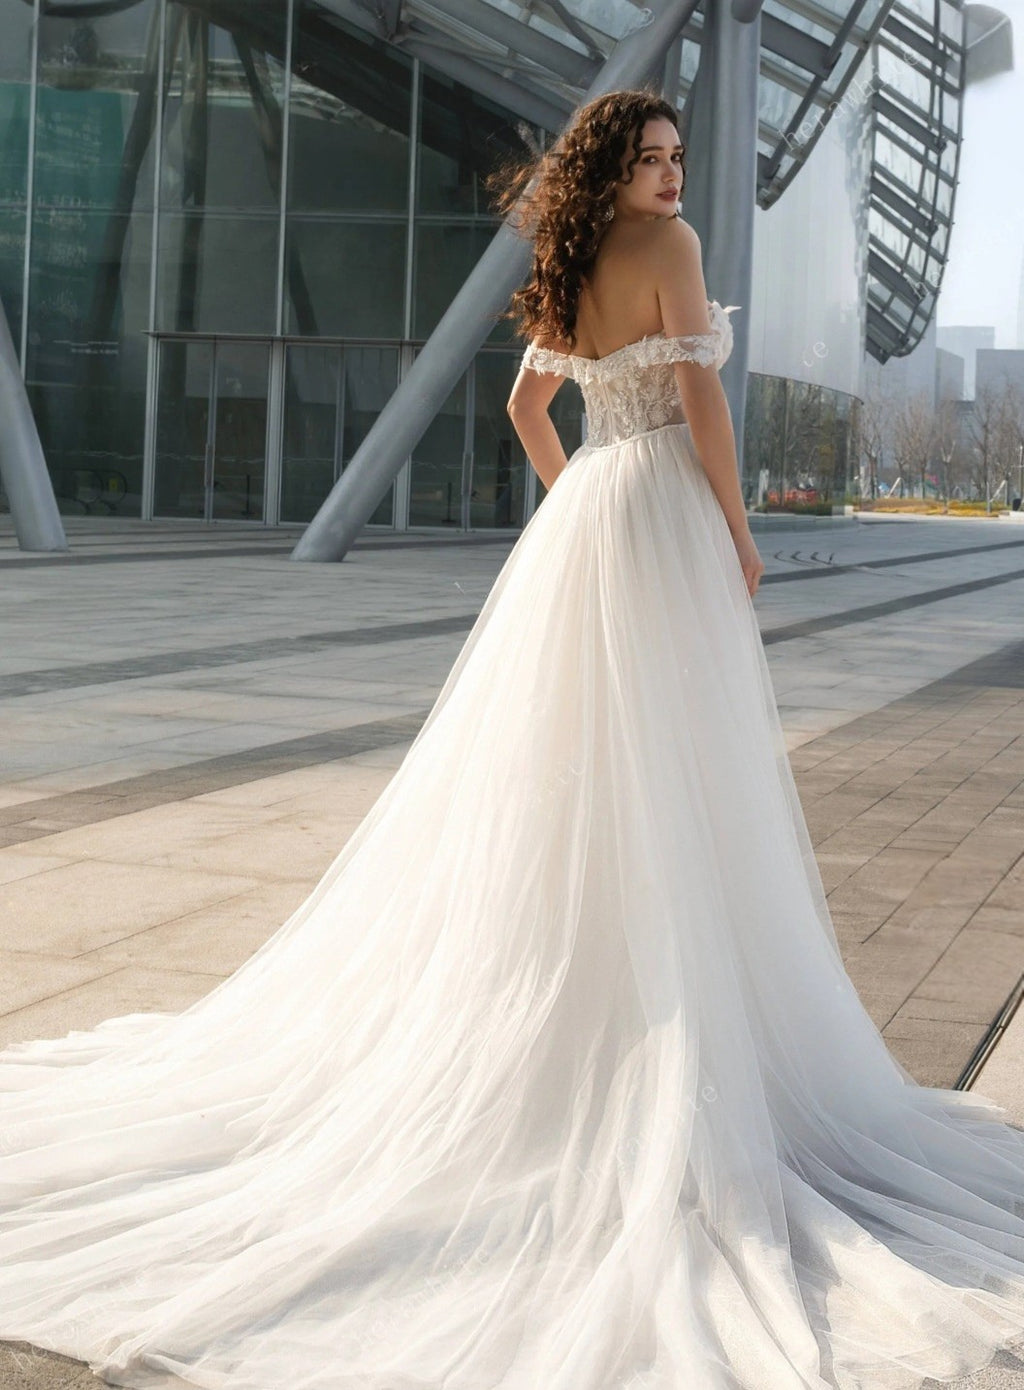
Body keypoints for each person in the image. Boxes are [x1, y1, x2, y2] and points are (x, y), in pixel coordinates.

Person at [1, 87, 1024, 1390]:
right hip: (652, 516)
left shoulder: (573, 258)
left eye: (673, 159)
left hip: (589, 521)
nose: (669, 177)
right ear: (619, 164)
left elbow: (528, 415)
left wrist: (583, 503)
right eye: (651, 159)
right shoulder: (677, 256)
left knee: (572, 779)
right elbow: (707, 417)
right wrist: (734, 527)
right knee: (673, 777)